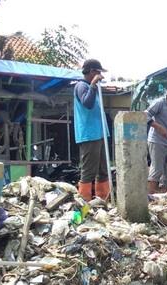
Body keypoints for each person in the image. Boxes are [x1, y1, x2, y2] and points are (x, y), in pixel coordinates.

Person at [73, 58, 110, 202]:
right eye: (99, 72)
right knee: (89, 171)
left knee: (103, 171)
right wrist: (93, 84)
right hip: (89, 134)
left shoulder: (93, 88)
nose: (101, 75)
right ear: (93, 71)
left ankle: (103, 202)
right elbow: (87, 104)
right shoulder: (82, 86)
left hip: (100, 133)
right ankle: (85, 204)